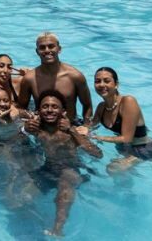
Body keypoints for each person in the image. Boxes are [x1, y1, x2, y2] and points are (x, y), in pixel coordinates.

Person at [23, 90, 102, 237]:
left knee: (64, 190)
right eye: (45, 106)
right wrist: (24, 129)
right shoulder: (37, 130)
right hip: (47, 169)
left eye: (54, 106)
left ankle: (57, 230)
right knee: (24, 197)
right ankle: (39, 223)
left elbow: (97, 154)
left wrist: (72, 130)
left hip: (70, 169)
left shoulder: (71, 132)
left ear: (63, 111)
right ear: (39, 111)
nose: (50, 110)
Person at [89, 67, 152, 172]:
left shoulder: (128, 101)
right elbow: (91, 126)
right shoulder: (101, 107)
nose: (101, 84)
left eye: (107, 81)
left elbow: (126, 138)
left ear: (116, 84)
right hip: (124, 148)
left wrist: (98, 138)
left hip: (144, 149)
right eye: (97, 81)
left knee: (113, 168)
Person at [19, 32, 93, 124]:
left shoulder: (75, 76)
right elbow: (21, 108)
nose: (47, 50)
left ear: (59, 49)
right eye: (42, 47)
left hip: (70, 126)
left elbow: (87, 105)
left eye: (51, 46)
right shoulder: (29, 79)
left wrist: (86, 127)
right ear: (37, 51)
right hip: (42, 127)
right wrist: (29, 121)